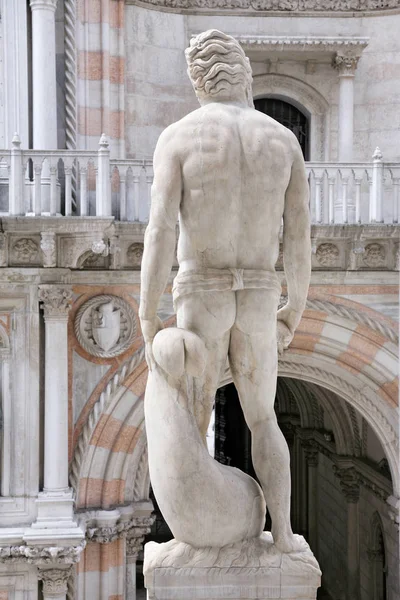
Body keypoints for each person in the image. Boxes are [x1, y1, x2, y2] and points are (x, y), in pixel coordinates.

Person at [139, 29, 311, 553]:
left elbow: (161, 230)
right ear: (246, 75)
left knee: (191, 420)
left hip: (202, 289)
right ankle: (281, 535)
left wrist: (149, 314)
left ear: (198, 82)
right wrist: (293, 309)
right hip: (260, 292)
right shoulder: (283, 141)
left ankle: (193, 536)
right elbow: (300, 234)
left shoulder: (180, 137)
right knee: (264, 420)